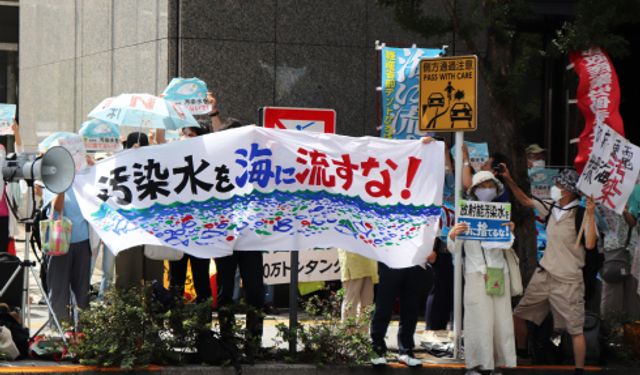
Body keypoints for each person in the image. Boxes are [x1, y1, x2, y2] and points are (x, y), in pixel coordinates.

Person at [501, 167, 597, 375]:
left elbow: (590, 245)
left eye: (560, 185)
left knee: (575, 329)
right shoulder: (552, 207)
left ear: (569, 190)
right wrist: (509, 179)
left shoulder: (581, 214)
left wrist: (590, 214)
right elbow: (526, 201)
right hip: (544, 274)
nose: (556, 187)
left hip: (569, 280)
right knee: (519, 314)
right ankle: (522, 355)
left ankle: (579, 370)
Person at [448, 171, 517, 374]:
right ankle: (475, 364)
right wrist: (452, 235)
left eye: (490, 186)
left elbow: (506, 244)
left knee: (500, 320)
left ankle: (495, 363)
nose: (487, 190)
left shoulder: (500, 213)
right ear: (474, 190)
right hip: (475, 273)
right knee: (478, 320)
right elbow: (454, 247)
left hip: (498, 272)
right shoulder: (464, 213)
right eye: (482, 186)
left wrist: (510, 231)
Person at [168, 125, 213, 305]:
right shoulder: (173, 160)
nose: (185, 138)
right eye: (183, 134)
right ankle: (177, 327)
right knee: (176, 282)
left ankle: (203, 328)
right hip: (178, 232)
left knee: (202, 282)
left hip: (201, 233)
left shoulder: (209, 162)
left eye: (191, 135)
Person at [114, 133, 164, 290]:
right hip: (130, 229)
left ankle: (152, 308)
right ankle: (134, 310)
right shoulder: (120, 166)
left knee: (151, 276)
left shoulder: (155, 164)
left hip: (147, 230)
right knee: (129, 277)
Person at [45, 165, 92, 325]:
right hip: (59, 243)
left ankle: (83, 330)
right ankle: (60, 329)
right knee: (59, 289)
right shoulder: (53, 181)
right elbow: (56, 208)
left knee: (82, 290)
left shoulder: (86, 180)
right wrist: (62, 187)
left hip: (83, 241)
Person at [338, 249, 378, 324]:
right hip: (352, 262)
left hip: (369, 262)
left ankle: (362, 334)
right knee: (351, 301)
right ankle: (348, 333)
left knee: (367, 304)